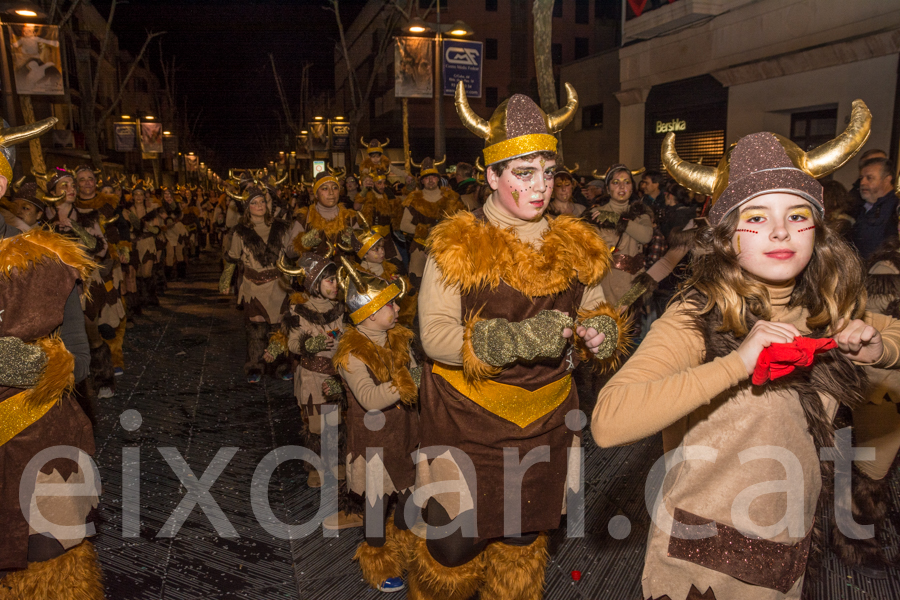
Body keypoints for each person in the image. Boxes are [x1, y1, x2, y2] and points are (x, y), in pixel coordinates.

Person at [592, 100, 900, 600]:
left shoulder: (826, 305)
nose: (780, 231)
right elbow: (608, 420)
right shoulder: (698, 314)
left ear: (816, 230)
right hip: (698, 565)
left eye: (796, 214)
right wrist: (735, 364)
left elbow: (890, 338)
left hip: (788, 551)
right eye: (757, 216)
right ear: (726, 235)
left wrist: (877, 348)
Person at [406, 81, 628, 600]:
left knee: (524, 539)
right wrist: (518, 339)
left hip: (548, 419)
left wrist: (603, 331)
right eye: (524, 173)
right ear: (492, 175)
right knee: (453, 548)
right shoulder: (458, 241)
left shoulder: (575, 241)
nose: (541, 186)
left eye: (548, 173)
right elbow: (434, 335)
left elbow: (596, 305)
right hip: (468, 418)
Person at [333, 257, 419, 594]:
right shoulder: (351, 354)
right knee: (375, 508)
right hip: (373, 444)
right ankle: (379, 562)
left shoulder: (398, 340)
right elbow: (369, 398)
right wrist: (407, 383)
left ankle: (400, 540)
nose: (397, 308)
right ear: (370, 314)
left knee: (411, 500)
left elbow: (413, 375)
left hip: (405, 434)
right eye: (390, 304)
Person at [220, 186, 293, 383]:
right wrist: (225, 280)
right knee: (256, 328)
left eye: (262, 201)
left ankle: (281, 365)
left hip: (278, 284)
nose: (259, 205)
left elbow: (290, 255)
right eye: (254, 202)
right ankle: (255, 366)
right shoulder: (240, 232)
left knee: (279, 327)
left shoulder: (281, 227)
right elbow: (233, 258)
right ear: (247, 207)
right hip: (253, 286)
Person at [589, 164, 655, 305]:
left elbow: (646, 236)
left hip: (634, 289)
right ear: (608, 188)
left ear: (632, 188)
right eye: (616, 182)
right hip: (604, 288)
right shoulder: (596, 215)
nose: (622, 187)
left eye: (627, 182)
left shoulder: (640, 213)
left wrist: (616, 219)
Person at [399, 157, 464, 287]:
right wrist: (423, 231)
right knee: (417, 284)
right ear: (422, 181)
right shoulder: (414, 199)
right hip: (419, 248)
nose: (430, 180)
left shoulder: (450, 197)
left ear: (438, 178)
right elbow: (403, 225)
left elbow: (461, 220)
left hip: (444, 248)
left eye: (433, 177)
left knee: (444, 286)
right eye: (427, 178)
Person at [289, 172, 357, 258]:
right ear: (316, 194)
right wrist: (303, 243)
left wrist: (354, 241)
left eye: (335, 188)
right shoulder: (305, 218)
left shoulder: (349, 217)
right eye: (325, 188)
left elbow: (364, 250)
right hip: (314, 270)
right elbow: (289, 253)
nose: (331, 192)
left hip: (344, 270)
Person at [851, 156, 897, 260]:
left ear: (887, 180)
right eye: (861, 178)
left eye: (869, 178)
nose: (863, 183)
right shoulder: (860, 208)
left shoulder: (895, 209)